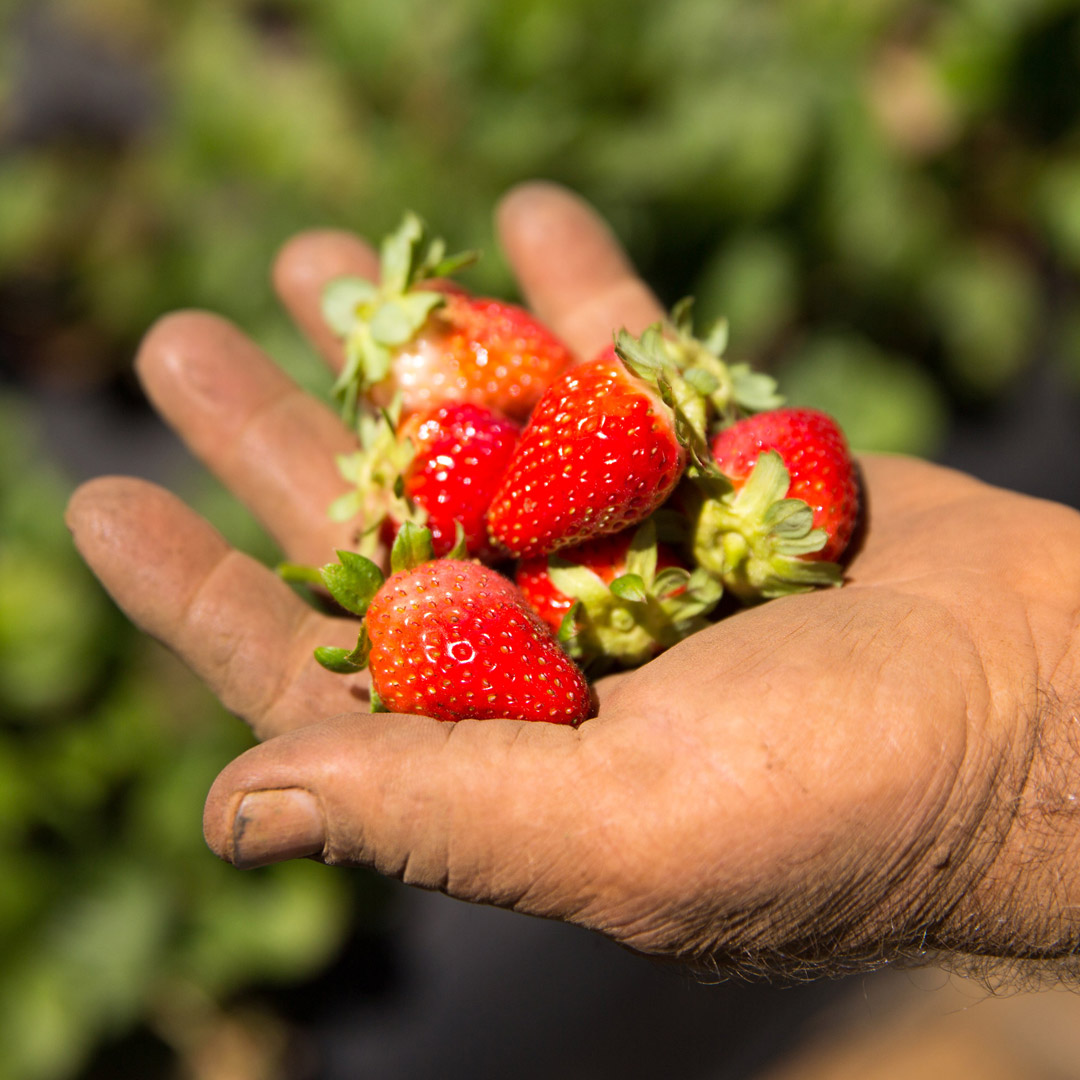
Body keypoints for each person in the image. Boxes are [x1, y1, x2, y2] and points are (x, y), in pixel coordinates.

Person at [66, 182, 1080, 979]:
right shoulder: (542, 463)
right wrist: (1011, 721)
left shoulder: (572, 459)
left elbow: (521, 510)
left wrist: (1013, 731)